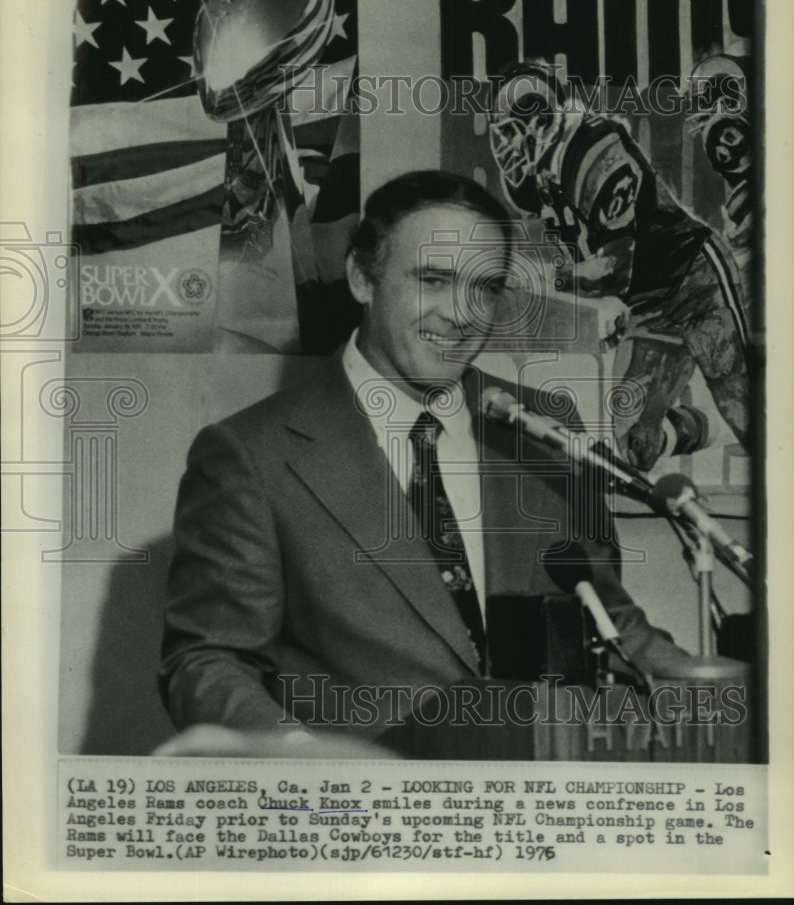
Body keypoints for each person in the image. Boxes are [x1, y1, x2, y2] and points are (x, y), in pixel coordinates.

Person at [158, 170, 708, 759]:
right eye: (434, 280)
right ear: (362, 279)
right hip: (365, 815)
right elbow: (210, 661)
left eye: (485, 288)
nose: (461, 315)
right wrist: (303, 757)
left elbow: (610, 620)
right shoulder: (249, 454)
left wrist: (716, 690)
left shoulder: (545, 429)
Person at [488, 62, 751, 469]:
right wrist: (624, 311)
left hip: (695, 281)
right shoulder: (550, 181)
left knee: (750, 418)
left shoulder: (595, 148)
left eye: (509, 130)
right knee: (635, 446)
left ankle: (732, 412)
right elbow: (604, 264)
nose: (505, 147)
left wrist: (539, 276)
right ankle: (712, 421)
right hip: (650, 307)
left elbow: (617, 266)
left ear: (539, 118)